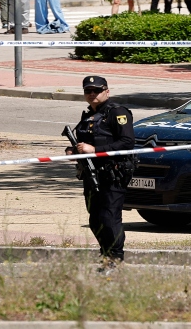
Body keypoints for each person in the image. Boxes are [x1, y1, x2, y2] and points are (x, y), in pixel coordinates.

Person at [66, 76, 134, 269]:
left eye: (96, 90)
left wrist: (95, 150)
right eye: (88, 91)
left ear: (107, 91)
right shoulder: (87, 116)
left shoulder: (118, 113)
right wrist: (72, 151)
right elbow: (81, 143)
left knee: (109, 217)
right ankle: (105, 255)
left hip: (113, 173)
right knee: (95, 219)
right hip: (90, 174)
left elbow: (127, 143)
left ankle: (115, 259)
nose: (92, 94)